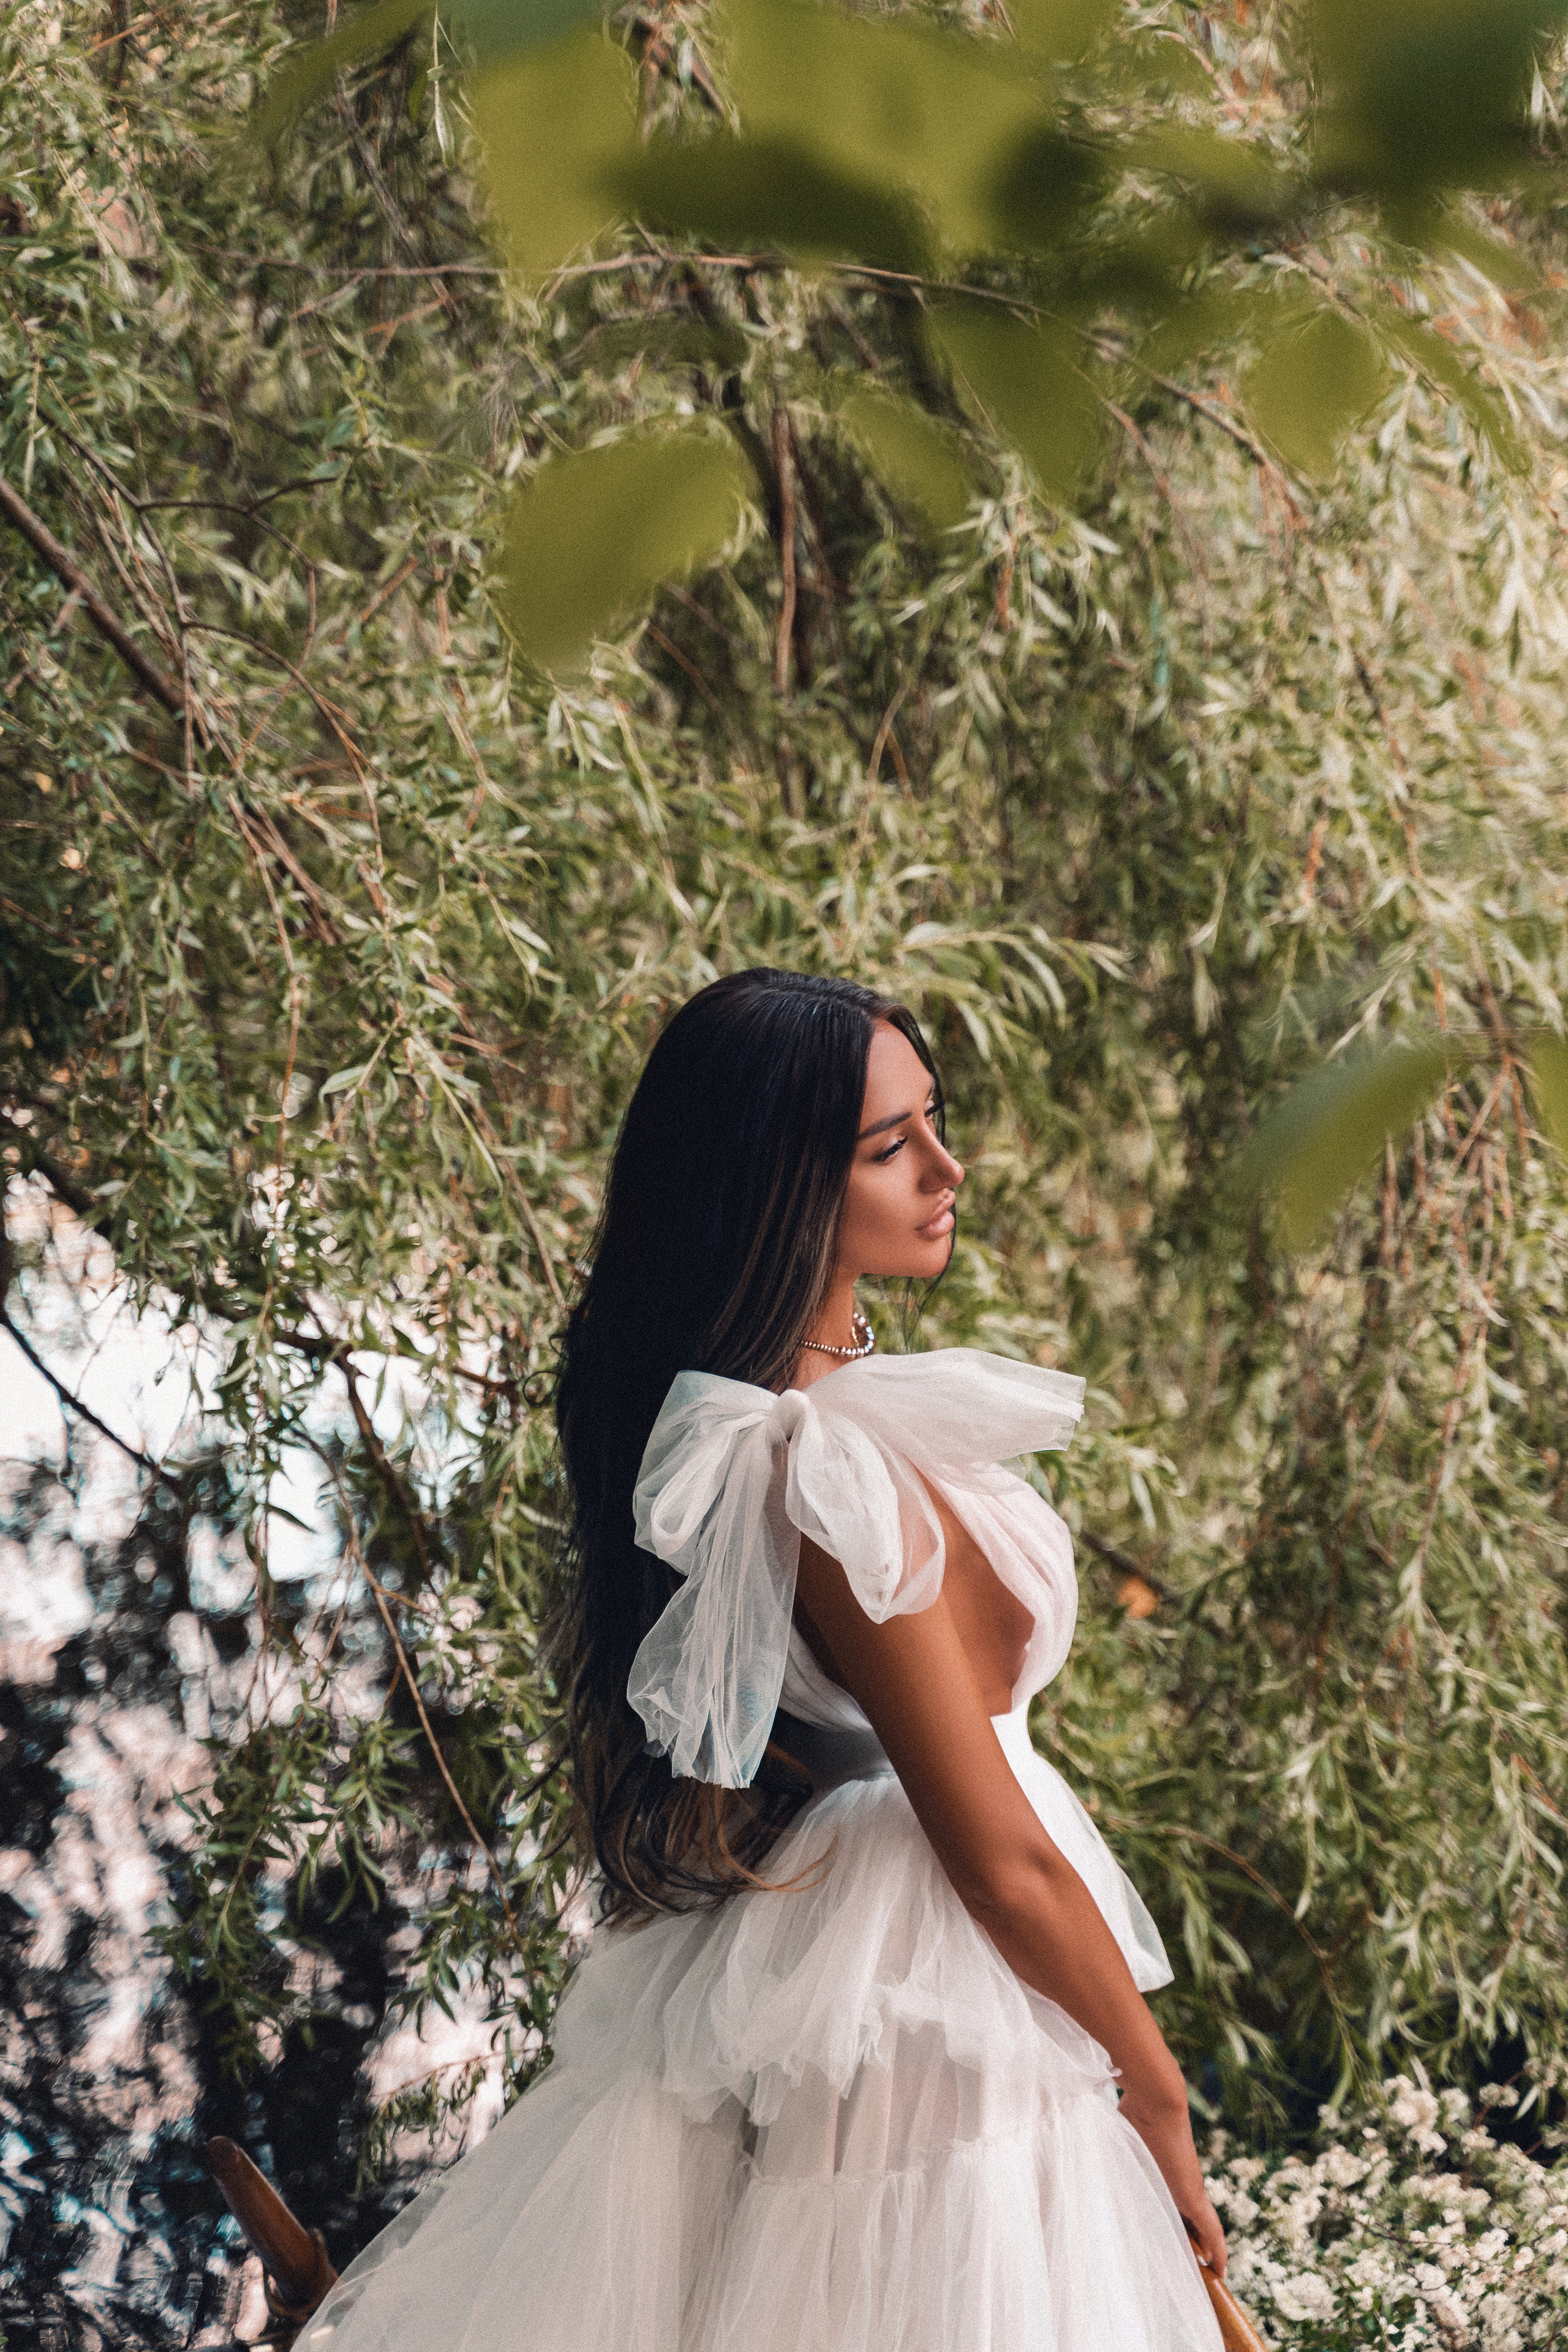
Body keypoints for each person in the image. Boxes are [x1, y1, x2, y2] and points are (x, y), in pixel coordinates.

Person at [304, 968, 1225, 2351]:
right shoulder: (818, 1466)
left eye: (931, 1122)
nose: (945, 1167)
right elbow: (997, 1857)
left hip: (887, 1948)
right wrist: (1153, 2094)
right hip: (931, 1976)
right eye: (886, 1147)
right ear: (771, 1187)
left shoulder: (814, 1416)